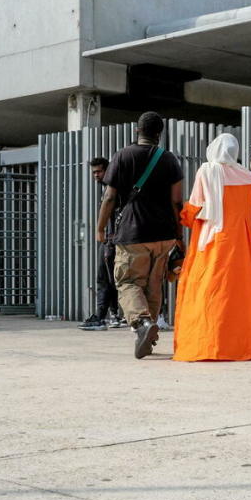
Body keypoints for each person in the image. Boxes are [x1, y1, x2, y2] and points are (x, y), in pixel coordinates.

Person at [172, 133, 251, 362]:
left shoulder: (206, 171)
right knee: (242, 294)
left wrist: (184, 219)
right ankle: (241, 344)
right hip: (242, 243)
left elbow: (194, 208)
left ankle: (208, 344)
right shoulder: (247, 176)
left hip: (210, 243)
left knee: (208, 292)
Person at [96, 111, 185, 360]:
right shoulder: (169, 160)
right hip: (164, 234)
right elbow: (177, 202)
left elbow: (110, 197)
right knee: (153, 284)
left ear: (138, 130)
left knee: (128, 282)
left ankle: (142, 324)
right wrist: (179, 236)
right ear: (160, 133)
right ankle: (147, 334)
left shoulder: (123, 155)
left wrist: (100, 228)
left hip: (134, 233)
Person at [80, 157, 124, 330]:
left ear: (108, 170)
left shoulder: (113, 190)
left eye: (99, 171)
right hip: (114, 239)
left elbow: (113, 212)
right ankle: (113, 315)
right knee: (110, 278)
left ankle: (100, 317)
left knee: (104, 278)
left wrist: (104, 233)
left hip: (111, 239)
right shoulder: (110, 188)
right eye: (93, 173)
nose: (96, 175)